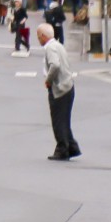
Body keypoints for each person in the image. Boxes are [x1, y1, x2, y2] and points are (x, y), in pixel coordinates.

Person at [36, 22, 80, 160]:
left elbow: (55, 65)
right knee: (64, 120)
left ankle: (62, 149)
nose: (38, 39)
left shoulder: (50, 48)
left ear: (43, 36)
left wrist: (48, 80)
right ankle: (72, 146)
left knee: (58, 121)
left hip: (59, 88)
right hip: (68, 86)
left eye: (38, 36)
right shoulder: (59, 45)